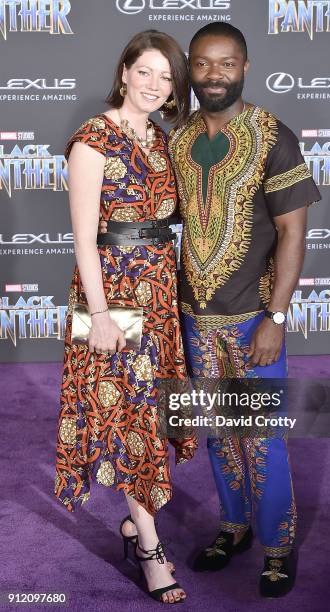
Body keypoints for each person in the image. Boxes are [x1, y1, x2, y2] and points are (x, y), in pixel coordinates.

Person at [169, 23, 321, 598]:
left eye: (226, 64)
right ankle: (233, 527)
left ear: (245, 67)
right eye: (204, 65)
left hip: (252, 318)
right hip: (193, 316)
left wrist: (275, 318)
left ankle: (277, 545)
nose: (213, 75)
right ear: (192, 68)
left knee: (259, 434)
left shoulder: (272, 136)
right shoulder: (178, 138)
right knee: (216, 431)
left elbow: (292, 232)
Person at [54, 30, 197, 604]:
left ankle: (138, 522)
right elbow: (84, 240)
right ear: (124, 73)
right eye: (145, 72)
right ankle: (151, 549)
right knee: (131, 417)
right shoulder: (92, 141)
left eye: (166, 77)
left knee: (153, 413)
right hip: (111, 293)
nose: (154, 85)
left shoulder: (162, 140)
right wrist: (101, 314)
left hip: (159, 293)